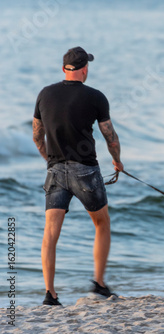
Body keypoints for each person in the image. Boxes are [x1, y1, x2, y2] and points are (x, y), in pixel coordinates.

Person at [33, 46, 124, 306]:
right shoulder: (95, 97)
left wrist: (49, 161)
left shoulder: (44, 94)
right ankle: (99, 283)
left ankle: (50, 294)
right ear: (84, 69)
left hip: (55, 171)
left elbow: (37, 136)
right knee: (102, 223)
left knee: (50, 233)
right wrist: (118, 162)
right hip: (85, 170)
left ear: (64, 69)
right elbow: (111, 137)